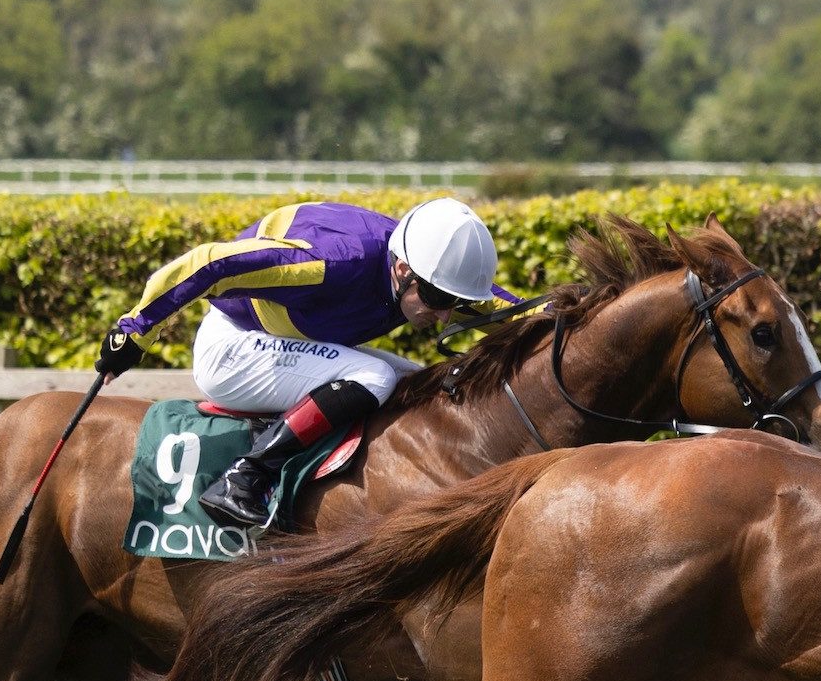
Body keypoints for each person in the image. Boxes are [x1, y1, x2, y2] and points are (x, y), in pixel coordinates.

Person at [95, 197, 522, 528]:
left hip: (288, 342)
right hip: (234, 348)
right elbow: (207, 263)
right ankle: (245, 477)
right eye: (440, 300)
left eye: (455, 302)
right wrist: (135, 331)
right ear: (402, 269)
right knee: (374, 375)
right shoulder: (330, 263)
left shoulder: (421, 268)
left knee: (416, 379)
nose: (446, 316)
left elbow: (505, 313)